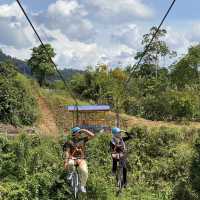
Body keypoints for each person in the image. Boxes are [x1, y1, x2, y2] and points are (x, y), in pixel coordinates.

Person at [63, 127, 95, 193]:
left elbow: (92, 135)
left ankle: (82, 186)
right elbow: (67, 152)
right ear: (74, 134)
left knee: (84, 171)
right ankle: (70, 173)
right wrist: (66, 161)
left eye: (80, 133)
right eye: (79, 132)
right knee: (70, 164)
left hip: (81, 159)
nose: (80, 134)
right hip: (72, 158)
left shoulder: (83, 140)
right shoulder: (69, 142)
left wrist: (83, 130)